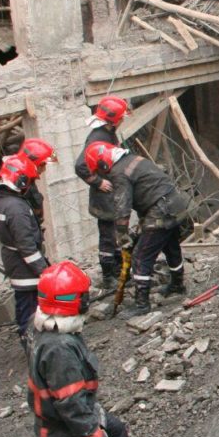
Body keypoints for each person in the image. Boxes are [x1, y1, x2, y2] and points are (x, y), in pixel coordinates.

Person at [28, 261, 160, 437]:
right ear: (74, 301)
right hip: (63, 433)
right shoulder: (60, 350)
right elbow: (70, 405)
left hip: (77, 415)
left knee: (118, 433)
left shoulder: (54, 332)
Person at [83, 142, 190, 318]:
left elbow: (122, 208)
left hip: (160, 211)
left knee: (140, 257)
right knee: (171, 247)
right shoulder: (133, 159)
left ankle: (142, 304)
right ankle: (178, 284)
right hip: (175, 204)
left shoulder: (118, 174)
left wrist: (122, 236)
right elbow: (147, 192)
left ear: (103, 165)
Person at [0, 155, 49, 354]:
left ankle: (33, 341)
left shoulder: (1, 200)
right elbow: (27, 246)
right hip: (24, 266)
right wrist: (45, 271)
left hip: (14, 260)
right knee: (29, 307)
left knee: (26, 304)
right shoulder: (16, 209)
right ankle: (32, 347)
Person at [74, 96, 130, 291]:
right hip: (104, 198)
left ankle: (117, 270)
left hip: (111, 196)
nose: (123, 120)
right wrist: (98, 182)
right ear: (114, 119)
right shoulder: (98, 137)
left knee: (114, 234)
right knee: (108, 236)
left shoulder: (108, 133)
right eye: (121, 117)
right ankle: (109, 276)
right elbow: (81, 165)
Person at [16, 138, 58, 226]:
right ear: (33, 162)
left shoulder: (26, 180)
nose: (44, 169)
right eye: (42, 165)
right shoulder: (22, 186)